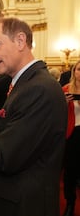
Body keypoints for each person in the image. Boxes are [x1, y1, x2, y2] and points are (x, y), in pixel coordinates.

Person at [0, 17, 67, 216]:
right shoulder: (25, 83)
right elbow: (15, 138)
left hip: (24, 205)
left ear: (20, 41)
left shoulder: (38, 88)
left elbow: (6, 158)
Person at [62, 61, 80, 216]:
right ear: (74, 71)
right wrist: (63, 103)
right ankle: (70, 203)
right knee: (70, 171)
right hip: (72, 133)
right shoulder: (66, 89)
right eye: (79, 69)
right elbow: (54, 111)